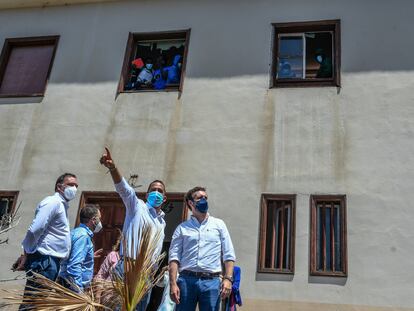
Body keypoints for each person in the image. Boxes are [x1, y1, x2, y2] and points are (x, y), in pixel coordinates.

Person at [99, 147, 167, 311]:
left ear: (164, 198)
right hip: (127, 267)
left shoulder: (162, 223)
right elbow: (123, 188)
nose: (156, 193)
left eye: (160, 191)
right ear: (146, 194)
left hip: (146, 275)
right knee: (118, 307)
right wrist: (113, 168)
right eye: (153, 190)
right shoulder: (136, 206)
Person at [12, 173, 78, 309]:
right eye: (71, 185)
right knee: (33, 305)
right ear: (59, 187)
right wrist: (28, 252)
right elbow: (36, 228)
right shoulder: (52, 202)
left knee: (39, 305)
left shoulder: (62, 205)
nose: (75, 188)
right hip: (44, 261)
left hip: (50, 262)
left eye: (76, 186)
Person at [168, 187, 236, 311]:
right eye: (199, 198)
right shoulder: (182, 228)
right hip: (186, 281)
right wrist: (172, 283)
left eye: (205, 197)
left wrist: (228, 279)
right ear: (190, 203)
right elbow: (174, 257)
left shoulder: (219, 225)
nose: (204, 200)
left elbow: (229, 254)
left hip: (212, 282)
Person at [58, 204, 102, 292]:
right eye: (99, 219)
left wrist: (89, 256)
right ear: (93, 220)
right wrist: (78, 290)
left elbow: (71, 256)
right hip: (71, 287)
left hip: (68, 284)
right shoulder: (83, 236)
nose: (100, 222)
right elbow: (74, 264)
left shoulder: (77, 232)